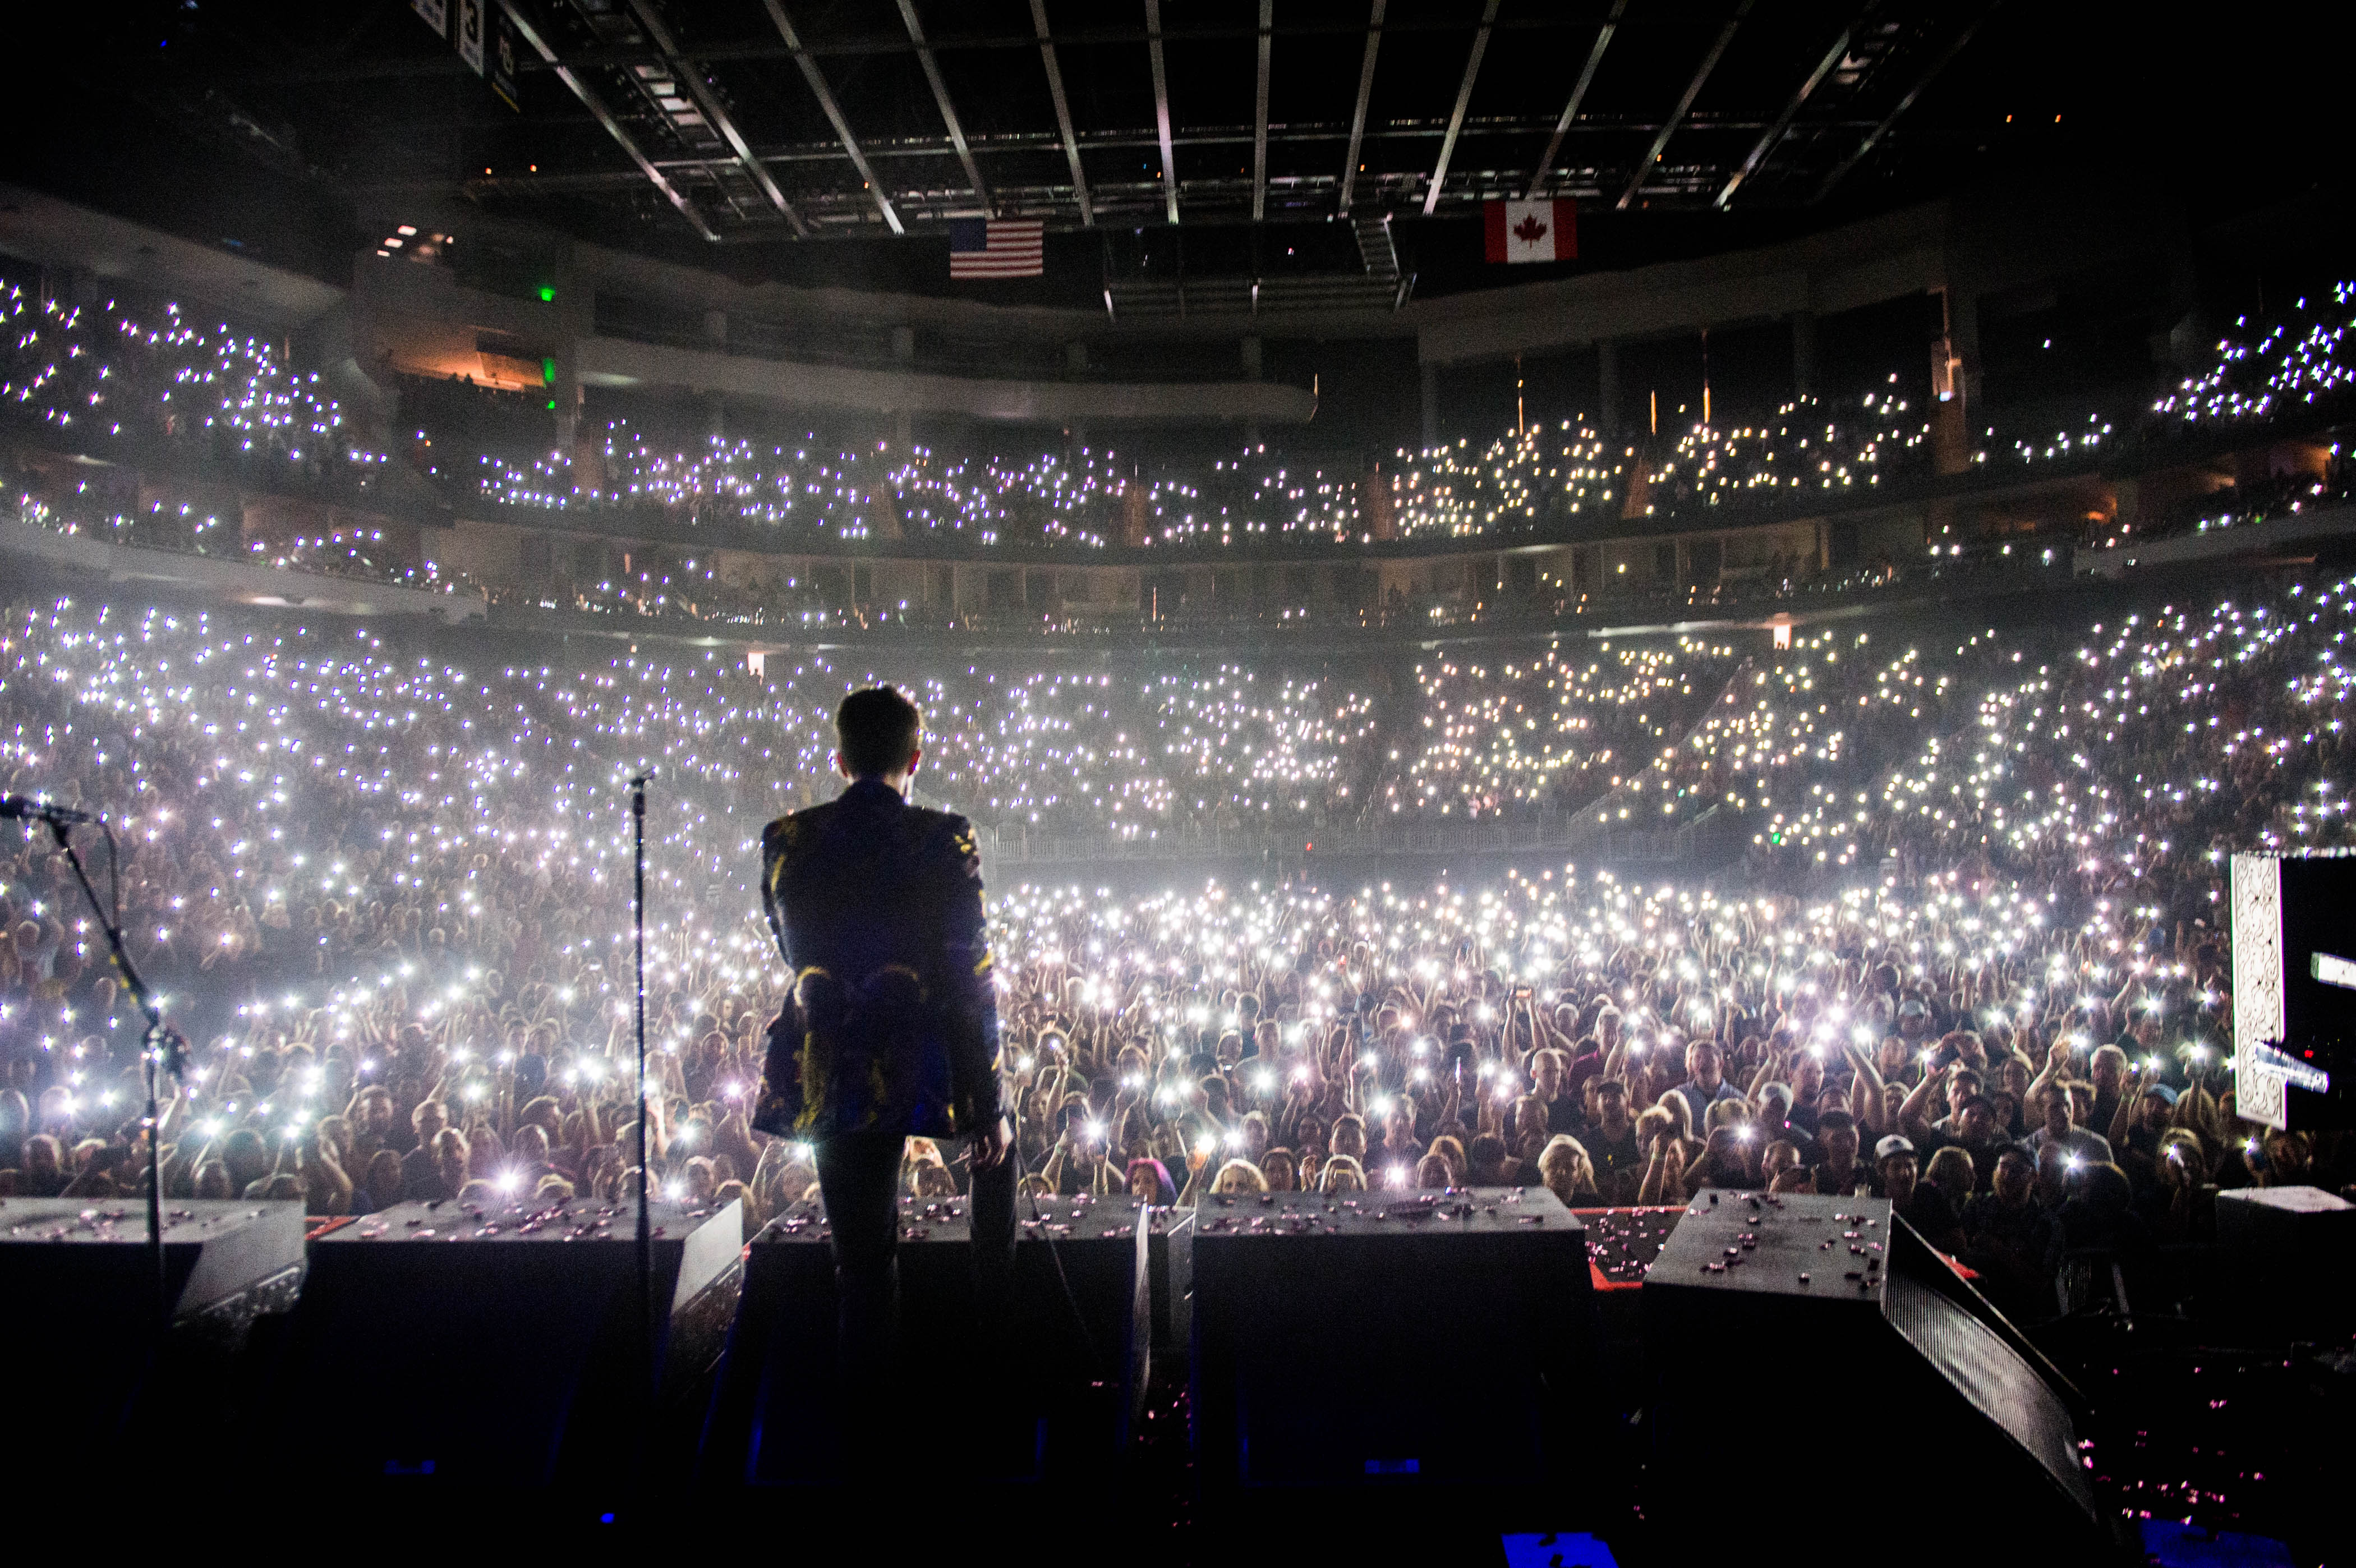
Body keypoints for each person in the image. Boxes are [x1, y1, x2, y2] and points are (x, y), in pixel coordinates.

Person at [752, 685, 1014, 1473]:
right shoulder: (945, 840)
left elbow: (790, 950)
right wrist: (988, 1103)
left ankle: (866, 1447)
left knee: (862, 1268)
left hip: (832, 1068)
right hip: (925, 1064)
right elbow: (971, 972)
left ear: (839, 759)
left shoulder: (788, 839)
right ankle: (992, 1376)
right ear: (916, 758)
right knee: (998, 1182)